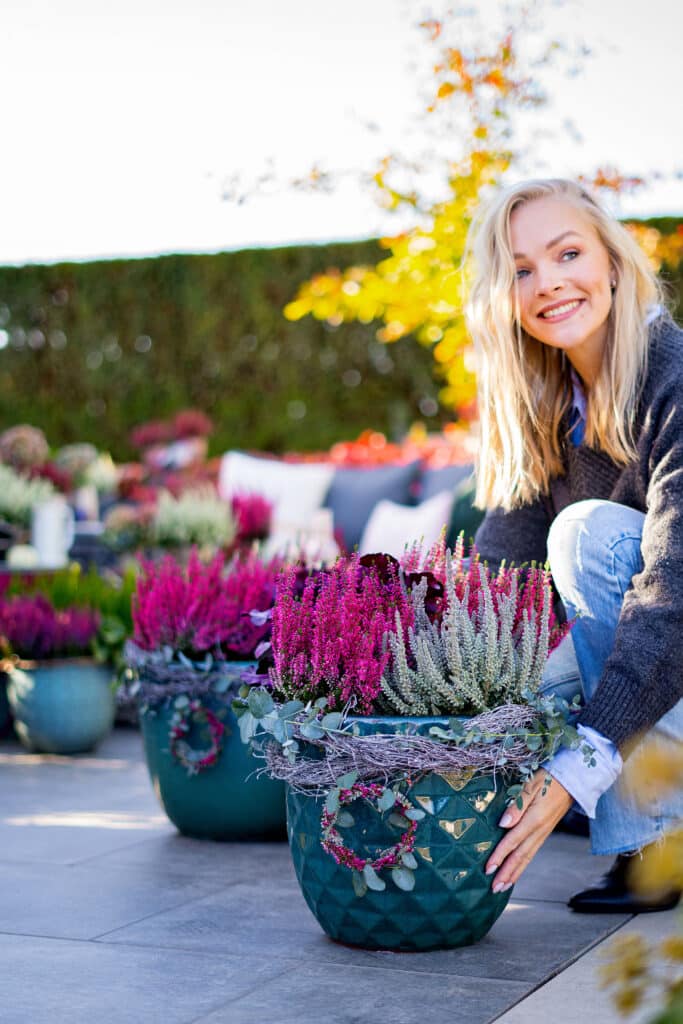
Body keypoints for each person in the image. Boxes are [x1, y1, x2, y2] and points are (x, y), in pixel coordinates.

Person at [465, 177, 683, 913]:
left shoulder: (672, 376)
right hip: (660, 658)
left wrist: (577, 769)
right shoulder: (547, 401)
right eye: (521, 269)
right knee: (492, 670)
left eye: (566, 253)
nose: (547, 282)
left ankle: (653, 847)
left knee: (587, 533)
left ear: (613, 263)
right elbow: (498, 577)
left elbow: (669, 603)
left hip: (677, 630)